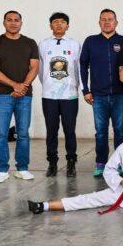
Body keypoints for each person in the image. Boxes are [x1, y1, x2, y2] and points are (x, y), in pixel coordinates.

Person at [0, 10, 39, 183]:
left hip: (25, 95)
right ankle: (2, 169)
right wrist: (15, 85)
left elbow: (34, 67)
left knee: (23, 133)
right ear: (4, 23)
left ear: (21, 23)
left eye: (16, 20)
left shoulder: (30, 43)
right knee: (1, 133)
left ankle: (22, 168)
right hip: (3, 95)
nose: (13, 23)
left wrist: (23, 87)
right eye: (9, 20)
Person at [80, 8, 123, 176]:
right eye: (104, 19)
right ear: (99, 22)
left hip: (120, 95)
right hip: (98, 96)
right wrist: (85, 90)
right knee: (101, 132)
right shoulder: (91, 41)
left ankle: (120, 163)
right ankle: (101, 163)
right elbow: (82, 66)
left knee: (120, 131)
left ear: (116, 22)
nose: (107, 22)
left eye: (110, 19)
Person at [38, 12, 81, 178]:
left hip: (69, 95)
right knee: (51, 131)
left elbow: (78, 69)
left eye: (62, 22)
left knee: (70, 130)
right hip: (49, 95)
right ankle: (52, 163)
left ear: (67, 26)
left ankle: (71, 162)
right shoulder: (43, 44)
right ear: (50, 25)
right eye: (55, 22)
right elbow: (41, 71)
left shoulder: (74, 44)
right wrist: (49, 85)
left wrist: (76, 87)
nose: (59, 25)